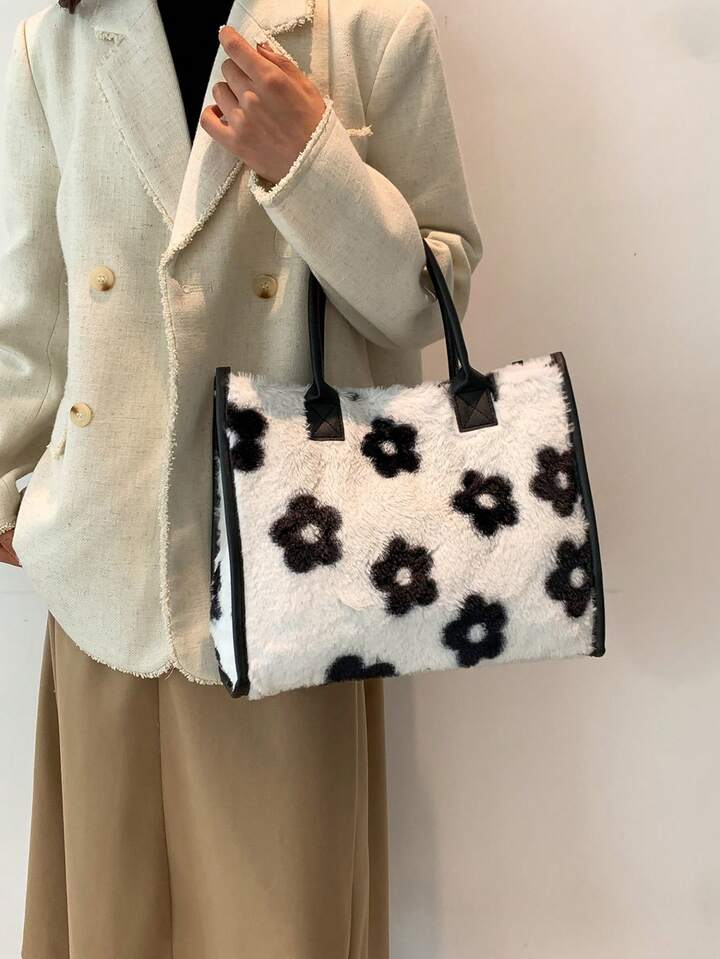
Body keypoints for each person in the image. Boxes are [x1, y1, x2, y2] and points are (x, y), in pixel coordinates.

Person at [0, 0, 483, 954]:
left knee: (278, 929)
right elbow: (35, 298)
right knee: (109, 928)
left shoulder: (371, 27)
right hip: (106, 575)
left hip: (293, 582)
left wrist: (309, 163)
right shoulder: (59, 36)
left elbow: (432, 305)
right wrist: (9, 473)